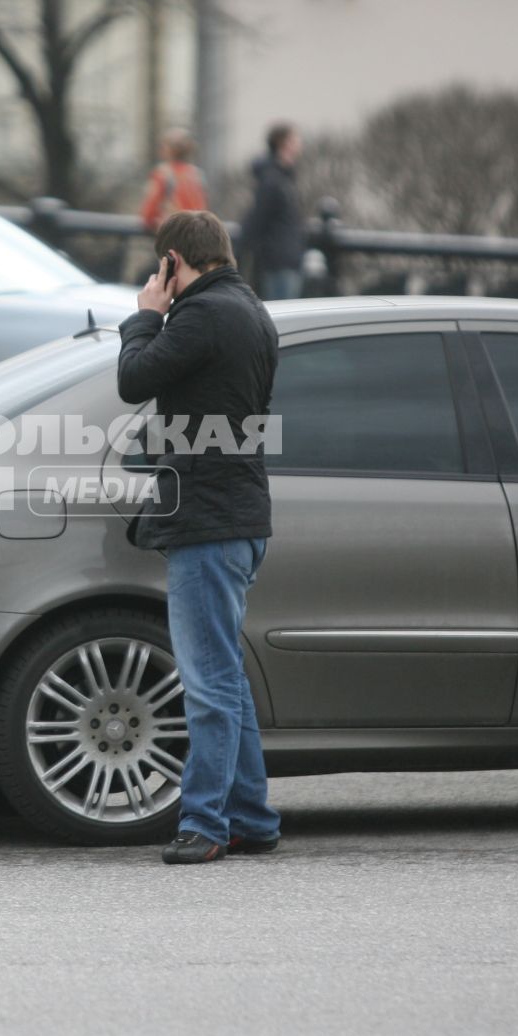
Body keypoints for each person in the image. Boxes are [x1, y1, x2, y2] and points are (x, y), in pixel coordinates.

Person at [116, 211, 282, 865]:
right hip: (239, 517)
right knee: (227, 680)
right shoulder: (253, 312)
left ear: (173, 263)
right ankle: (252, 817)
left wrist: (145, 316)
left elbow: (134, 379)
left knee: (209, 682)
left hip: (209, 521)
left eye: (162, 270)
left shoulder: (202, 315)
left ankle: (206, 823)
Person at [131, 128, 210, 283]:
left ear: (168, 150)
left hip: (170, 240)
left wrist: (154, 222)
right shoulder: (197, 175)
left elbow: (147, 214)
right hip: (194, 242)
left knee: (153, 282)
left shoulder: (163, 174)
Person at [240, 122, 305, 301]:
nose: (300, 143)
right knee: (283, 316)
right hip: (278, 261)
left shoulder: (282, 177)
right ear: (283, 143)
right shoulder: (274, 180)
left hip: (284, 259)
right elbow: (258, 219)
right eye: (295, 139)